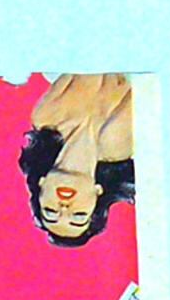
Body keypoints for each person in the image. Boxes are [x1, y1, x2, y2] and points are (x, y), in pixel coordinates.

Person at [19, 74, 134, 246]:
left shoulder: (46, 118)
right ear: (98, 193)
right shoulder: (116, 147)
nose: (64, 207)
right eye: (78, 216)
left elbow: (87, 66)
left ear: (41, 184)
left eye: (50, 212)